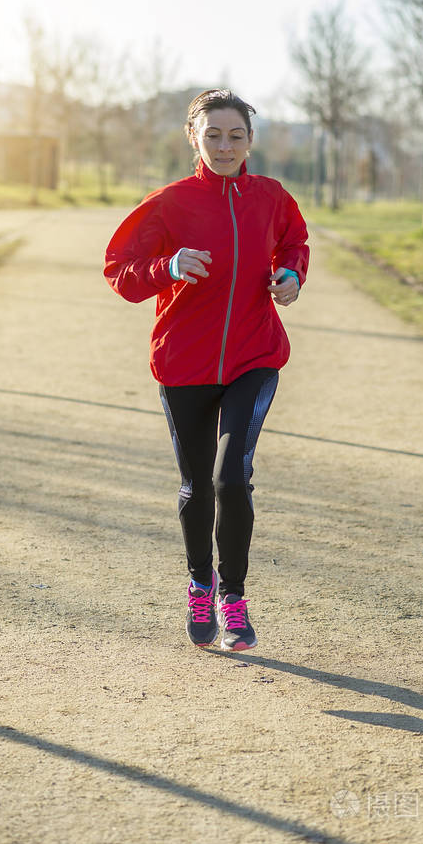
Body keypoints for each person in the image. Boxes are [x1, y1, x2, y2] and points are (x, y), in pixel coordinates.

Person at [104, 89, 309, 651]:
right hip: (184, 362)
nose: (225, 146)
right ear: (193, 137)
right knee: (198, 486)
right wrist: (167, 266)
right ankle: (201, 581)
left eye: (235, 135)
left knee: (231, 478)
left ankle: (234, 598)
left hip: (254, 356)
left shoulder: (270, 197)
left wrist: (290, 276)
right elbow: (120, 270)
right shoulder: (170, 203)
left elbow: (293, 242)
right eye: (213, 135)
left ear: (250, 140)